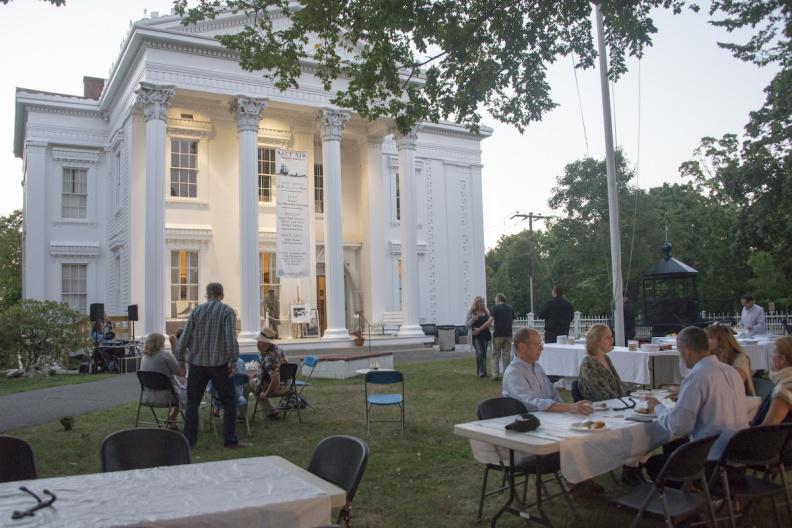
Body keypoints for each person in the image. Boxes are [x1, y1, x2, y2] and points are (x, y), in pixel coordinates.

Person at [644, 326, 749, 480]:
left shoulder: (697, 377)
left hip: (713, 461)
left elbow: (679, 426)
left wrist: (658, 407)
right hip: (738, 456)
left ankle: (694, 492)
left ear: (686, 350)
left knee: (654, 464)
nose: (681, 356)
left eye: (679, 352)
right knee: (672, 446)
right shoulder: (731, 371)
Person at [175, 282, 246, 449]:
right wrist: (234, 361)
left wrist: (180, 360)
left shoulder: (197, 311)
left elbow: (184, 338)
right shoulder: (227, 311)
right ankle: (230, 440)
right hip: (218, 363)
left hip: (197, 363)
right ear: (222, 295)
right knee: (229, 402)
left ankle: (189, 442)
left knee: (193, 403)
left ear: (207, 295)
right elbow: (230, 339)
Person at [502, 327, 593, 415]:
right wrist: (568, 407)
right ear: (522, 347)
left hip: (546, 418)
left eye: (541, 344)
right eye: (537, 344)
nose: (541, 348)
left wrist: (568, 409)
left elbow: (552, 394)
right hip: (525, 423)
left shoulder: (537, 367)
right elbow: (531, 403)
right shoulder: (513, 373)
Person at [140, 333, 186, 430]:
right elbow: (181, 372)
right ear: (160, 343)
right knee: (190, 392)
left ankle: (172, 421)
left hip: (148, 396)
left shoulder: (144, 358)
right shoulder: (165, 355)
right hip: (167, 397)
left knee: (179, 387)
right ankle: (173, 418)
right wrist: (179, 352)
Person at [578, 324, 625, 402]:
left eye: (611, 337)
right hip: (598, 408)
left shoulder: (606, 358)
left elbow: (618, 385)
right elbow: (600, 394)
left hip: (616, 404)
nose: (611, 340)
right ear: (596, 341)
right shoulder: (588, 364)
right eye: (607, 337)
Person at [705, 323, 755, 396]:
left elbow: (734, 384)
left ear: (721, 340)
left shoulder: (740, 358)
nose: (705, 341)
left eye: (709, 337)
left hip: (741, 401)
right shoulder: (711, 357)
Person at [752, 336, 792, 426]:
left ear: (783, 359)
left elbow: (767, 430)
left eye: (774, 352)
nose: (771, 356)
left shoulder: (783, 391)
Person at [252, 327, 288, 420]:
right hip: (285, 385)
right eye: (258, 341)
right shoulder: (277, 350)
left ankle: (241, 416)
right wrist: (252, 376)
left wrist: (266, 394)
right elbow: (264, 370)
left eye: (260, 341)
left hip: (276, 387)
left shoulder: (269, 357)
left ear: (267, 343)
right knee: (254, 383)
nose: (257, 344)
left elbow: (275, 381)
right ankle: (270, 412)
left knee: (244, 384)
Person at [490, 293, 515, 381]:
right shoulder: (510, 308)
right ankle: (506, 374)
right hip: (508, 335)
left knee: (496, 354)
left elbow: (490, 320)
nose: (495, 301)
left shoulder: (495, 308)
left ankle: (495, 374)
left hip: (498, 335)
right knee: (506, 355)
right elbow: (512, 322)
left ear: (498, 299)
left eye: (495, 300)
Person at [466, 296, 492, 378]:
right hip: (475, 335)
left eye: (483, 302)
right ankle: (480, 372)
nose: (482, 304)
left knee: (484, 353)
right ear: (476, 303)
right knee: (479, 353)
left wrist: (491, 325)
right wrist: (473, 319)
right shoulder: (471, 312)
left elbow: (490, 323)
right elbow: (466, 325)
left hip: (485, 334)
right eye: (480, 302)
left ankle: (484, 372)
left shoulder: (486, 312)